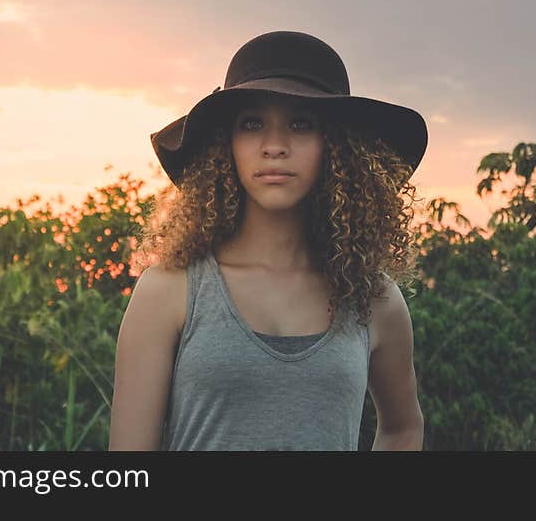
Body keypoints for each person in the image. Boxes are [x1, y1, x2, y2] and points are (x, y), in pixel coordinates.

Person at [108, 30, 429, 451]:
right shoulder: (169, 290)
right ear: (225, 146)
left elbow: (403, 428)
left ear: (337, 147)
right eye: (252, 124)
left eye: (301, 124)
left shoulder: (373, 299)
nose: (274, 146)